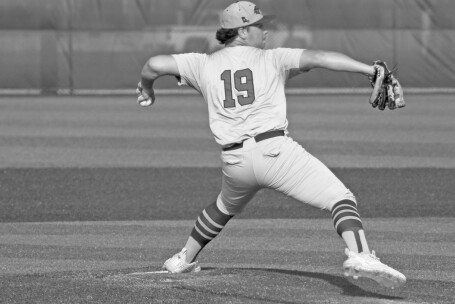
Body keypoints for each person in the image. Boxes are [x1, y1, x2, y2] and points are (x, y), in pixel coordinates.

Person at [136, 1, 406, 289]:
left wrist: (147, 88)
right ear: (241, 31)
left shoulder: (203, 64)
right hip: (274, 152)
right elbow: (320, 57)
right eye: (258, 26)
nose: (264, 31)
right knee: (340, 198)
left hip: (235, 162)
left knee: (223, 207)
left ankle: (181, 259)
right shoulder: (273, 59)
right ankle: (361, 254)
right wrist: (367, 70)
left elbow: (154, 65)